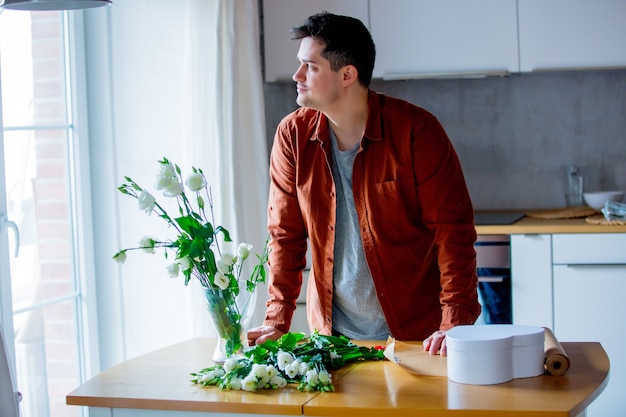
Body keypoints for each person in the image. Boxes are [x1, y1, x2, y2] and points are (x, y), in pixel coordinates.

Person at [248, 12, 480, 356]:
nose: (297, 76)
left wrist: (454, 325)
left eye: (310, 66)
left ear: (347, 75)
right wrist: (276, 320)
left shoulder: (417, 132)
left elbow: (453, 234)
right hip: (332, 339)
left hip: (418, 338)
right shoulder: (292, 136)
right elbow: (285, 234)